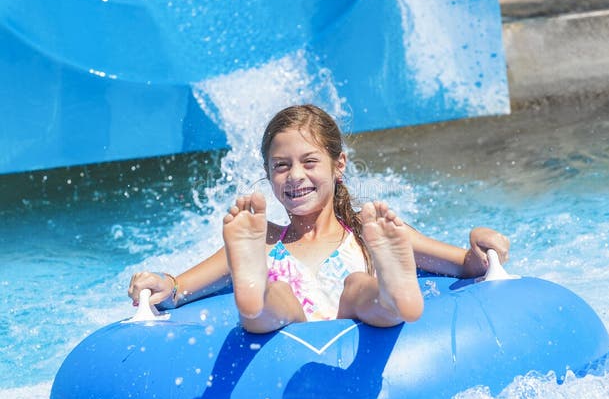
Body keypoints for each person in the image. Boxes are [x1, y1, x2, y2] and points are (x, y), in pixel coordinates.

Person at [128, 104, 509, 333]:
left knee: (359, 285)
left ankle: (394, 293)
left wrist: (479, 244)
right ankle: (254, 296)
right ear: (267, 171)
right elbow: (179, 287)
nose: (295, 176)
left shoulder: (368, 230)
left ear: (338, 164)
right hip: (284, 328)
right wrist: (160, 282)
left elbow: (464, 266)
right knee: (276, 295)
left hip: (356, 315)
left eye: (310, 162)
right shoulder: (259, 240)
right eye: (281, 166)